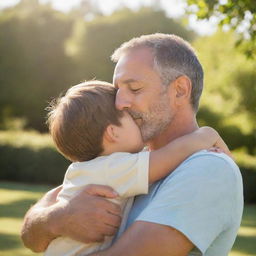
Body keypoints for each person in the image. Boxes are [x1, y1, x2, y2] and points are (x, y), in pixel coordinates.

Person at [21, 34, 243, 256]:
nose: (119, 103)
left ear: (180, 90)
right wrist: (59, 218)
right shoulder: (122, 162)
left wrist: (204, 136)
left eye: (134, 88)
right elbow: (30, 233)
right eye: (117, 91)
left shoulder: (207, 168)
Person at [44, 80, 228, 256]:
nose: (138, 122)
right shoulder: (112, 168)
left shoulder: (88, 169)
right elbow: (168, 157)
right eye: (130, 118)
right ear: (113, 132)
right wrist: (206, 135)